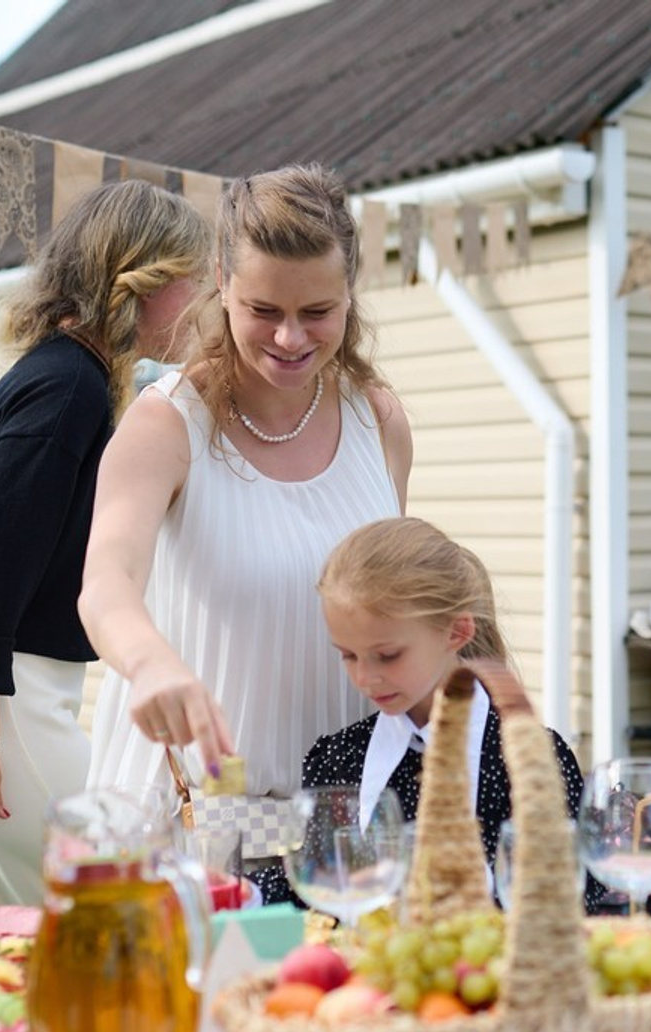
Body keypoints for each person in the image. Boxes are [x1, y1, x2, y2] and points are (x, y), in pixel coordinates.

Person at [0, 180, 211, 921]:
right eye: (192, 277)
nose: (201, 299)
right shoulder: (70, 390)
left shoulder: (57, 375)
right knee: (103, 915)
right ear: (142, 277)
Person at [81, 164, 411, 810]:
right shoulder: (166, 423)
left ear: (351, 292)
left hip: (338, 823)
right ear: (222, 284)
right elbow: (105, 582)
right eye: (264, 310)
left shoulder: (381, 421)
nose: (290, 338)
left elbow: (394, 600)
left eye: (317, 312)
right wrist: (149, 662)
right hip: (189, 815)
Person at [256, 516, 597, 909]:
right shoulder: (340, 759)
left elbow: (569, 895)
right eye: (348, 656)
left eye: (387, 655)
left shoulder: (530, 760)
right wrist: (232, 891)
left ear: (456, 633)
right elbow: (314, 882)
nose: (365, 678)